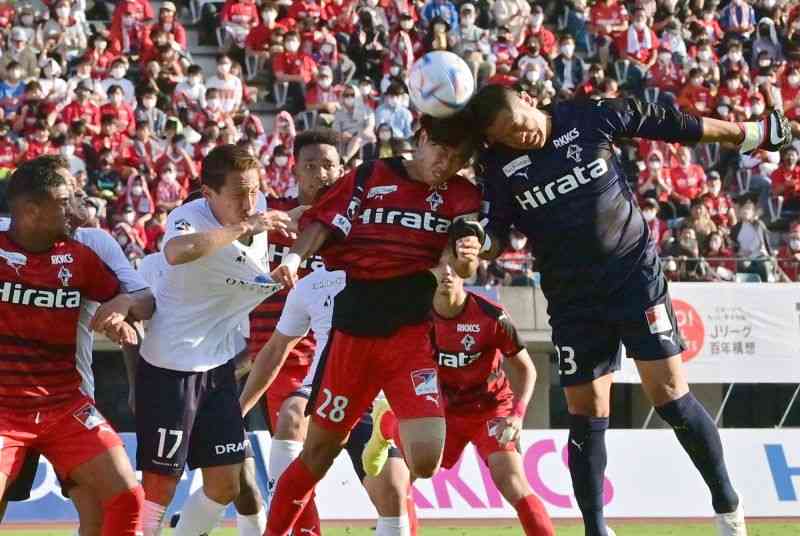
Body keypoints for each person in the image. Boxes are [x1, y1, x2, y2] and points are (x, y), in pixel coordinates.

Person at [463, 83, 795, 536]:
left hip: (633, 277)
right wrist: (480, 242)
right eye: (507, 137)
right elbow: (496, 235)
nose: (520, 137)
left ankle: (727, 506)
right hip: (572, 298)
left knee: (669, 394)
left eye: (519, 125)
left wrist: (749, 134)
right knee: (585, 410)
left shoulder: (588, 116)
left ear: (527, 100)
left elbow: (672, 125)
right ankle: (596, 529)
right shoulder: (499, 169)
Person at [266, 113, 483, 536]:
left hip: (411, 339)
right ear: (421, 139)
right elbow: (321, 223)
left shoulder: (460, 193)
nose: (446, 163)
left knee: (425, 460)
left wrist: (465, 258)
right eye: (441, 151)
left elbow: (465, 259)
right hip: (352, 335)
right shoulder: (370, 175)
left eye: (458, 158)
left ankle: (386, 427)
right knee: (319, 454)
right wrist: (293, 259)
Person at [239, 131, 422, 531]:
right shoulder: (277, 219)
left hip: (357, 350)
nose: (320, 174)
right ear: (293, 170)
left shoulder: (367, 218)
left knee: (393, 482)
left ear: (343, 170)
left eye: (328, 166)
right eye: (310, 166)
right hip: (299, 350)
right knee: (295, 436)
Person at [135, 145, 293, 536]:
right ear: (209, 195)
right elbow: (176, 252)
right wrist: (245, 228)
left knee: (226, 485)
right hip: (171, 370)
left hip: (218, 370)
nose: (250, 201)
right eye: (239, 194)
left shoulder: (262, 207)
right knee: (160, 489)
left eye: (254, 190)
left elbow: (301, 218)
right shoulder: (188, 217)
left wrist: (292, 254)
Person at [0, 155, 144, 535]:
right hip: (3, 409)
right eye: (64, 202)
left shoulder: (81, 255)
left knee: (128, 497)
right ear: (32, 209)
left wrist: (122, 305)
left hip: (65, 406)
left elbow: (143, 301)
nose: (76, 209)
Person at [361, 259, 554, 536]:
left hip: (490, 408)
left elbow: (527, 369)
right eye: (439, 266)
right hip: (440, 409)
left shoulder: (492, 316)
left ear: (468, 270)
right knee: (403, 480)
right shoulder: (415, 316)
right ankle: (387, 425)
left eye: (454, 265)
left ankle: (388, 423)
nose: (447, 272)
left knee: (512, 481)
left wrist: (517, 415)